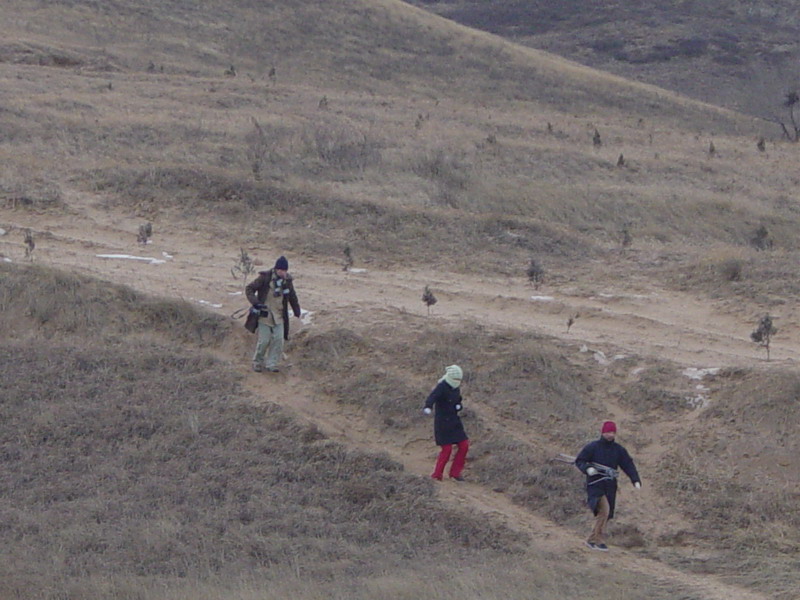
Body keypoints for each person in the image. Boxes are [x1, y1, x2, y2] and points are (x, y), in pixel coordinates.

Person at [574, 420, 641, 551]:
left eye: (612, 432)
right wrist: (588, 469)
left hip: (610, 486)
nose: (610, 435)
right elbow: (580, 460)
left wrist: (635, 479)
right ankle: (598, 540)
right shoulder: (592, 447)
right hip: (595, 484)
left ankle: (592, 539)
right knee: (604, 510)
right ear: (603, 432)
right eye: (608, 432)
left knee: (607, 513)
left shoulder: (619, 450)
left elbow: (628, 464)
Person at [244, 255, 301, 372]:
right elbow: (249, 289)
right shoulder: (265, 278)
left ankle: (272, 364)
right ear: (276, 269)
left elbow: (292, 297)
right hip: (265, 315)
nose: (282, 272)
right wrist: (256, 303)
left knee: (279, 340)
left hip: (279, 316)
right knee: (264, 341)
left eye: (285, 270)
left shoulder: (288, 281)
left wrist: (297, 311)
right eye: (281, 270)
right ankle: (257, 362)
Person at [423, 365, 469, 482]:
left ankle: (455, 473)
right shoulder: (442, 386)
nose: (457, 382)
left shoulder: (456, 388)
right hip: (442, 423)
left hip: (454, 421)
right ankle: (437, 475)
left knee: (464, 445)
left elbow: (458, 399)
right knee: (446, 449)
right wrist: (428, 407)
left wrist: (459, 405)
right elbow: (432, 397)